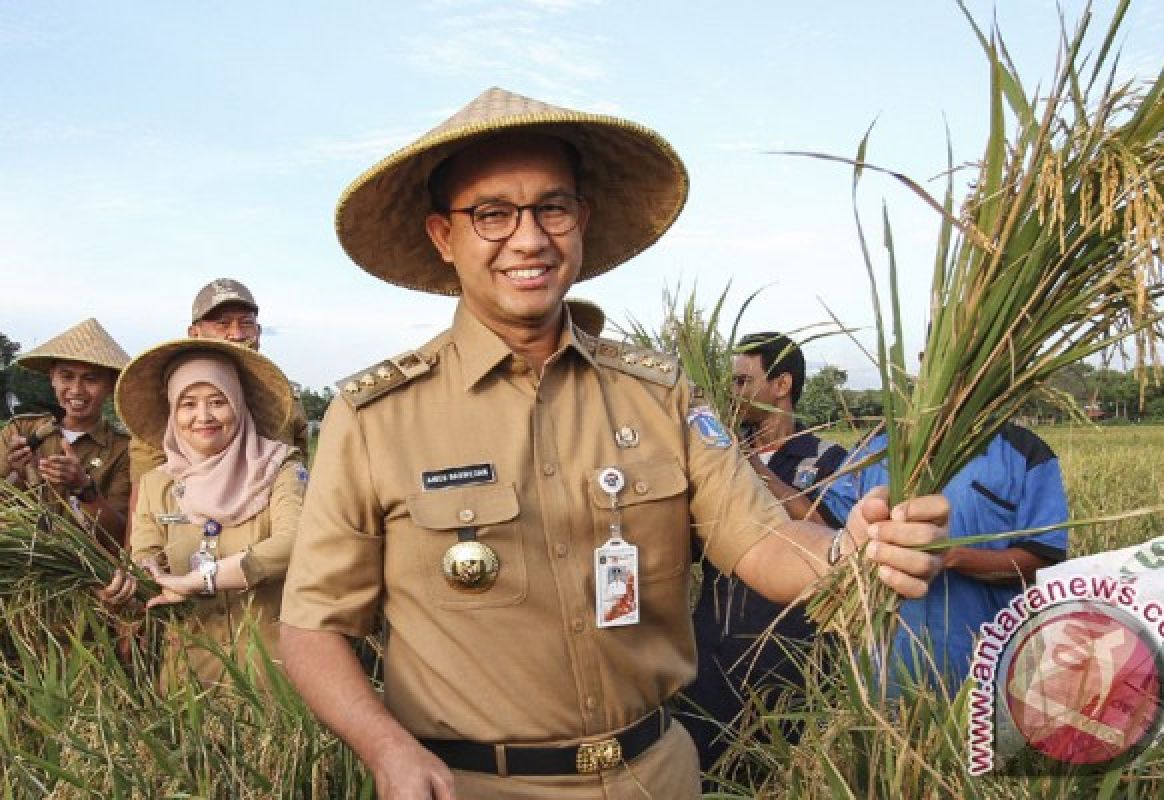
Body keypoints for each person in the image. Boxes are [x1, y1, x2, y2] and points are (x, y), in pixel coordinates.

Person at [278, 87, 946, 800]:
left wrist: (851, 552)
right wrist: (386, 750)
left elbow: (759, 541)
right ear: (446, 237)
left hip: (654, 774)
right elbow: (312, 629)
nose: (529, 238)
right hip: (472, 786)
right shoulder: (376, 415)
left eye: (552, 208)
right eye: (493, 215)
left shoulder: (658, 392)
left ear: (582, 220)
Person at [681, 332, 848, 775]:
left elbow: (833, 538)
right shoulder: (713, 456)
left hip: (792, 657)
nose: (733, 393)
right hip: (713, 653)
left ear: (782, 385)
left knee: (779, 773)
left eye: (742, 381)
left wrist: (753, 471)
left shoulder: (827, 458)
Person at [100, 338, 304, 686]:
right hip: (188, 679)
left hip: (272, 674)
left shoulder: (281, 468)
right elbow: (145, 553)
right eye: (188, 404)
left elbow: (294, 542)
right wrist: (139, 578)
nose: (203, 417)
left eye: (217, 402)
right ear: (173, 413)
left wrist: (203, 579)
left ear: (238, 405)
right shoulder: (156, 485)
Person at [822, 424, 1069, 694]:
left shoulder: (1023, 451)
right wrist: (770, 486)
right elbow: (828, 531)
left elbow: (1043, 559)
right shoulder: (875, 447)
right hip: (878, 672)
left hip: (982, 672)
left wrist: (950, 555)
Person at [126, 278, 310, 505]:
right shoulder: (164, 405)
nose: (237, 334)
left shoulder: (283, 399)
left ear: (259, 331)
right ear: (194, 333)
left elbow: (301, 478)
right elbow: (143, 500)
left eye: (246, 323)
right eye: (223, 324)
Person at [1, 318, 131, 544]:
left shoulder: (124, 450)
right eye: (67, 376)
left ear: (110, 385)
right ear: (52, 377)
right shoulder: (20, 431)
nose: (76, 390)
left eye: (90, 379)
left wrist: (84, 487)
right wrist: (17, 473)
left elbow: (121, 534)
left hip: (86, 573)